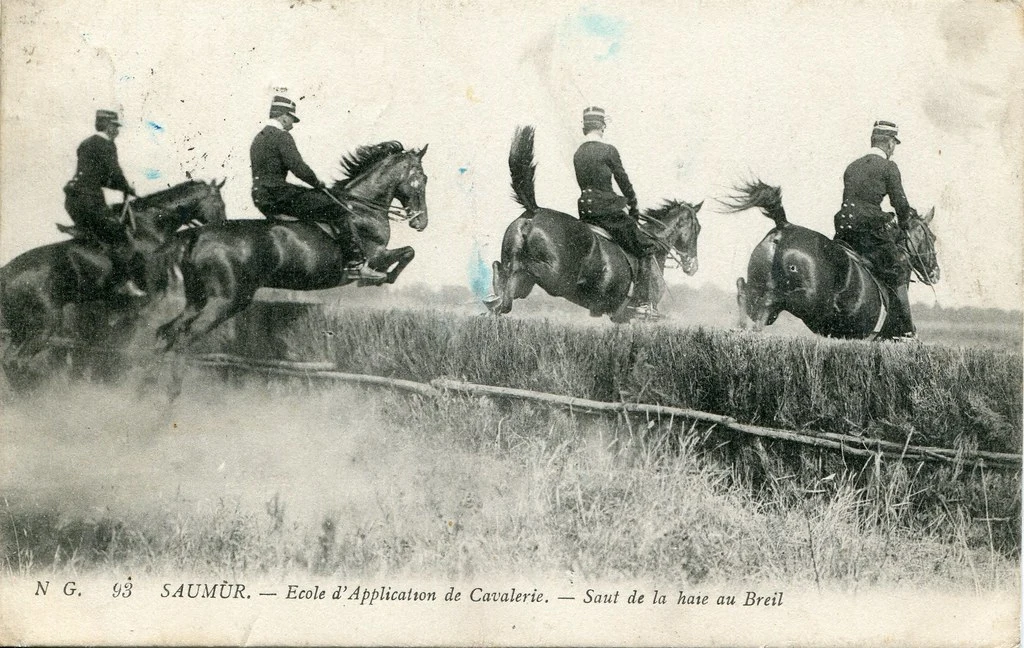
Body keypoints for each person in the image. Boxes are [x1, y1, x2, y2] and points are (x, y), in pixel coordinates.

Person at [249, 95, 386, 283]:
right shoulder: (282, 137)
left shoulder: (259, 138)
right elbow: (298, 167)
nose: (293, 124)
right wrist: (317, 183)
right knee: (338, 208)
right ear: (282, 116)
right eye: (292, 118)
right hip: (279, 194)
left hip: (261, 196)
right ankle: (356, 264)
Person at [834, 120, 918, 339]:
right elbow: (900, 204)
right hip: (869, 230)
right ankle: (906, 330)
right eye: (894, 144)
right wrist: (904, 223)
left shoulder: (852, 166)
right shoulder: (889, 167)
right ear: (889, 143)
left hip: (844, 228)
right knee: (898, 267)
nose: (893, 149)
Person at [573, 106, 660, 318]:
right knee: (646, 247)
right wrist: (633, 206)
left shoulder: (578, 153)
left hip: (585, 210)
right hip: (606, 210)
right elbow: (623, 181)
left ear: (585, 127)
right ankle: (641, 303)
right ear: (602, 126)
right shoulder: (608, 150)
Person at [63, 109, 146, 297]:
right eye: (115, 127)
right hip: (90, 200)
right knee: (120, 235)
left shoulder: (86, 144)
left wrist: (120, 187)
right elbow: (114, 173)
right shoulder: (106, 145)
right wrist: (126, 187)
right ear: (107, 127)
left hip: (73, 201)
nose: (117, 131)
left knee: (97, 236)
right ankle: (124, 283)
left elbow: (98, 177)